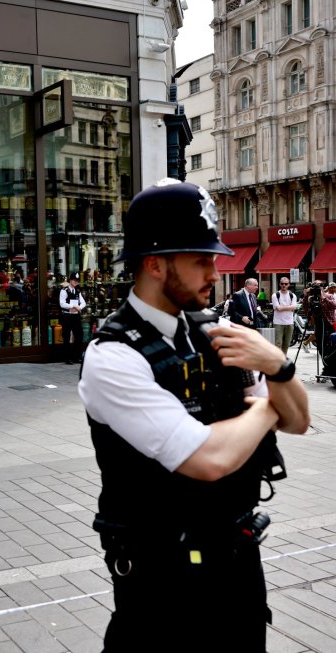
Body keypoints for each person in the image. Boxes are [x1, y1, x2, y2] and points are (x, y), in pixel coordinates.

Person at [79, 179, 309, 652]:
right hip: (162, 580)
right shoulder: (113, 357)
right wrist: (268, 404)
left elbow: (300, 420)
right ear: (156, 264)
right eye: (201, 259)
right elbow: (208, 458)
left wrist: (278, 365)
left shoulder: (217, 331)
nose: (215, 270)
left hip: (237, 561)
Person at [59, 272, 86, 364]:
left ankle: (76, 356)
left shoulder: (78, 291)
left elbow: (83, 303)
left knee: (79, 335)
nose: (76, 282)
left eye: (77, 281)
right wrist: (74, 306)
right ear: (70, 280)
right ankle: (68, 358)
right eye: (74, 280)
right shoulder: (64, 290)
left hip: (75, 316)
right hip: (67, 316)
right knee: (66, 337)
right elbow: (62, 303)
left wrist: (79, 308)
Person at [271, 277, 299, 355]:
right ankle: (278, 360)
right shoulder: (275, 295)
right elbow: (278, 308)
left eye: (286, 284)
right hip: (278, 322)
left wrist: (282, 307)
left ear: (288, 285)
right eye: (282, 283)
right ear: (279, 284)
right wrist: (290, 307)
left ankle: (283, 360)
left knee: (286, 344)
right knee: (278, 344)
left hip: (289, 322)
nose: (284, 285)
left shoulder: (292, 295)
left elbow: (294, 307)